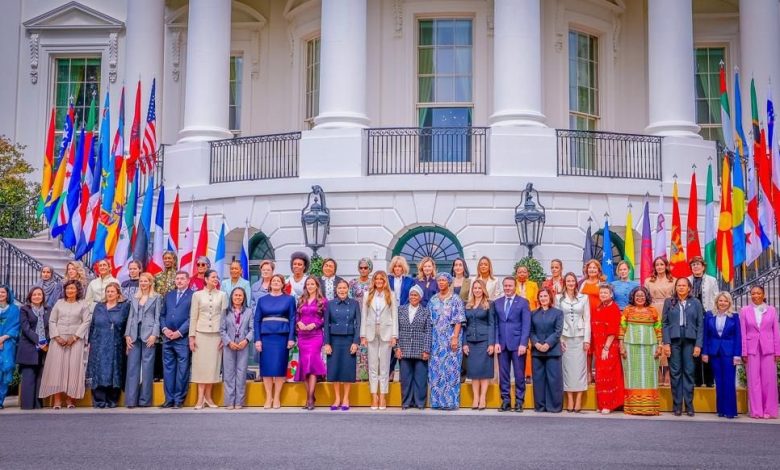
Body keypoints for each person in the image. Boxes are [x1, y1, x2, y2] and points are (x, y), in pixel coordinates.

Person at [39, 279, 91, 408]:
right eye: (68, 288)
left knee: (73, 369)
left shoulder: (83, 304)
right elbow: (52, 321)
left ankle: (70, 399)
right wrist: (56, 337)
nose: (70, 291)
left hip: (75, 340)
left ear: (78, 290)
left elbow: (86, 321)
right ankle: (57, 400)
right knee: (57, 369)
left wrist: (75, 337)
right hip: (58, 340)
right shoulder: (59, 303)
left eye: (72, 288)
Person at [662, 277, 704, 416]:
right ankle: (677, 405)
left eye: (683, 285)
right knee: (675, 373)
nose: (681, 288)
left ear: (689, 288)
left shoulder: (696, 302)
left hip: (690, 341)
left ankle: (689, 405)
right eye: (678, 285)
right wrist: (666, 343)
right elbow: (665, 323)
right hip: (674, 340)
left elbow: (700, 325)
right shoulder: (669, 302)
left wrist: (698, 344)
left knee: (689, 372)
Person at [254, 274, 296, 409]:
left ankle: (277, 397)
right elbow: (257, 320)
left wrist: (291, 338)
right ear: (270, 283)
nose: (276, 282)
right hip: (266, 337)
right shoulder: (262, 300)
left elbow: (293, 319)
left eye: (279, 281)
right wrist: (257, 339)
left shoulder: (289, 299)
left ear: (283, 284)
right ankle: (268, 397)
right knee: (266, 368)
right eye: (274, 281)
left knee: (279, 368)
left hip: (282, 338)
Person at [619, 286, 663, 415]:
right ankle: (633, 408)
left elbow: (658, 329)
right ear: (633, 297)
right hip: (630, 347)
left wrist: (660, 346)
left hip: (650, 347)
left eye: (642, 296)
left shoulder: (653, 311)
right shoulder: (627, 310)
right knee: (632, 377)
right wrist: (621, 346)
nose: (639, 298)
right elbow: (622, 328)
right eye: (637, 296)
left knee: (650, 376)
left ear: (646, 297)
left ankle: (650, 408)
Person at [739, 285, 780, 419]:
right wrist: (744, 351)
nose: (756, 296)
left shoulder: (772, 310)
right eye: (753, 294)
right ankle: (756, 411)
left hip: (768, 349)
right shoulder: (744, 310)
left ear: (763, 294)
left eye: (758, 293)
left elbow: (776, 332)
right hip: (752, 349)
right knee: (753, 380)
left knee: (769, 381)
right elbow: (743, 332)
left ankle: (770, 410)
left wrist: (777, 351)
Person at [189, 269, 228, 409]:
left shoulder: (223, 295)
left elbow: (224, 318)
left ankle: (209, 397)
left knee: (213, 367)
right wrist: (191, 337)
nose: (215, 279)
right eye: (212, 277)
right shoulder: (197, 295)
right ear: (205, 279)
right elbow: (193, 316)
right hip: (201, 333)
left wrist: (223, 337)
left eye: (217, 277)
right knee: (201, 367)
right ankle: (200, 399)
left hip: (216, 334)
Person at [87, 283, 130, 408]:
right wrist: (90, 342)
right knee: (98, 371)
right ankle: (99, 400)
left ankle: (112, 399)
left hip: (115, 344)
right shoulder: (99, 307)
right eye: (108, 291)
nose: (110, 294)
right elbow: (93, 325)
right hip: (98, 343)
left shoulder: (124, 307)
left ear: (118, 293)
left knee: (114, 370)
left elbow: (127, 325)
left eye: (112, 291)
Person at [360, 271, 398, 410]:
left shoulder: (391, 295)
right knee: (373, 367)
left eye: (381, 279)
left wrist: (394, 336)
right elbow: (364, 315)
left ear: (385, 281)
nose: (379, 281)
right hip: (371, 332)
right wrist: (362, 335)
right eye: (377, 279)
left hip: (386, 333)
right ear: (374, 281)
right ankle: (373, 396)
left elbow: (394, 316)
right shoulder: (367, 295)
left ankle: (383, 396)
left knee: (384, 367)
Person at [427, 273, 465, 410]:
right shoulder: (433, 300)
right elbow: (429, 322)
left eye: (444, 280)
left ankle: (451, 402)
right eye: (439, 280)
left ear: (449, 282)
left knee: (451, 370)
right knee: (436, 371)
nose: (441, 282)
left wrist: (454, 337)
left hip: (451, 340)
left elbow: (459, 320)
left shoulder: (456, 299)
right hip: (436, 341)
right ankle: (437, 402)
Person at [493, 276, 531, 412]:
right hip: (502, 344)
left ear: (515, 287)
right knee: (504, 374)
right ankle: (506, 401)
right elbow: (495, 324)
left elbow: (526, 325)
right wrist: (496, 341)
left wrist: (523, 343)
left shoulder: (523, 302)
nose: (507, 288)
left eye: (510, 286)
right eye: (506, 286)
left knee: (519, 374)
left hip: (518, 344)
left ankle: (519, 401)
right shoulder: (497, 303)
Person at [702, 292, 742, 419]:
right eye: (720, 301)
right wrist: (705, 352)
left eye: (725, 301)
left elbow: (738, 336)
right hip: (714, 352)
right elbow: (705, 335)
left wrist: (737, 354)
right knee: (718, 381)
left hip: (729, 353)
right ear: (716, 302)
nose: (723, 303)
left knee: (729, 381)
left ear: (729, 303)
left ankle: (730, 411)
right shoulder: (709, 315)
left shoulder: (734, 316)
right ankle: (721, 410)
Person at [124, 273, 161, 408]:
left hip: (148, 335)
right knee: (132, 368)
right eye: (141, 281)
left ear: (150, 283)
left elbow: (157, 318)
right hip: (134, 334)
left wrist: (154, 335)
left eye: (146, 281)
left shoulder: (156, 297)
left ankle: (145, 400)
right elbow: (130, 317)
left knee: (147, 368)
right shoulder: (134, 298)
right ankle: (131, 400)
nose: (143, 283)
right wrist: (127, 335)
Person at [324, 279, 361, 410]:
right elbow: (326, 325)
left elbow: (358, 324)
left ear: (348, 289)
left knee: (347, 370)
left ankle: (346, 398)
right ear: (336, 290)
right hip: (334, 340)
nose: (342, 290)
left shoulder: (354, 304)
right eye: (339, 288)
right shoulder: (330, 304)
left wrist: (356, 342)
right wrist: (327, 343)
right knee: (335, 370)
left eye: (344, 288)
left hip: (349, 340)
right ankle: (337, 398)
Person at [160, 271, 193, 408]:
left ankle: (179, 399)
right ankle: (169, 399)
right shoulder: (169, 295)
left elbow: (192, 317)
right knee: (168, 370)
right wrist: (165, 330)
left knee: (182, 371)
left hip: (182, 339)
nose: (179, 281)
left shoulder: (193, 296)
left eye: (182, 279)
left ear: (188, 280)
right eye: (177, 279)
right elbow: (162, 315)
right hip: (167, 339)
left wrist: (179, 332)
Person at [558, 272, 590, 413]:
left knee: (580, 370)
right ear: (565, 282)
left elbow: (587, 319)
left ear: (576, 283)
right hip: (565, 337)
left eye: (572, 281)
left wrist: (587, 339)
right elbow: (557, 319)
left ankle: (578, 399)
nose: (570, 283)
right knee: (567, 370)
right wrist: (559, 339)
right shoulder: (558, 298)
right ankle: (570, 398)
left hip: (580, 336)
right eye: (568, 281)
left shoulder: (584, 298)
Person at [396, 285, 432, 410]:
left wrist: (427, 350)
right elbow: (397, 330)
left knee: (420, 379)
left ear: (420, 297)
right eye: (411, 294)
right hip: (404, 349)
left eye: (416, 295)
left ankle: (420, 402)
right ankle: (406, 402)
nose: (413, 297)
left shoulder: (426, 311)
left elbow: (428, 331)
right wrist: (397, 348)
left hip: (420, 349)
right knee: (406, 378)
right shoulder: (400, 310)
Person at [295, 277, 328, 410]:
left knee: (312, 364)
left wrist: (315, 324)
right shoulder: (301, 300)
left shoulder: (323, 301)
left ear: (317, 285)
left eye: (312, 284)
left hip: (315, 336)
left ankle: (309, 399)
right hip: (303, 336)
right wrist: (299, 323)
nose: (310, 286)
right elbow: (296, 316)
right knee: (304, 366)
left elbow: (325, 319)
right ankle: (310, 396)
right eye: (308, 284)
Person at [591, 284, 624, 414]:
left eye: (606, 292)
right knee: (600, 376)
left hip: (609, 346)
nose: (603, 294)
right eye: (601, 292)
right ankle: (602, 403)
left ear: (611, 294)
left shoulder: (614, 308)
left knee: (609, 375)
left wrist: (606, 348)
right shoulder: (599, 307)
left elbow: (612, 330)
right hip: (599, 347)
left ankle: (610, 405)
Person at [463, 279, 495, 410]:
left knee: (484, 371)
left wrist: (491, 343)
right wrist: (464, 343)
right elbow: (464, 325)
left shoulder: (489, 304)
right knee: (474, 372)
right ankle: (475, 398)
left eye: (479, 288)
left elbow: (492, 324)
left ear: (483, 290)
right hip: (471, 341)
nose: (477, 290)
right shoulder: (467, 305)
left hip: (485, 341)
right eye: (475, 288)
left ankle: (483, 398)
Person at [220, 287, 254, 409]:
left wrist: (246, 340)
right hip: (229, 346)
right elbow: (222, 330)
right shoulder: (225, 312)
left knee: (241, 373)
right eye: (236, 295)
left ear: (244, 297)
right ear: (232, 297)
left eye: (240, 295)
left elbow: (252, 329)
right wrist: (228, 342)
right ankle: (229, 401)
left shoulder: (249, 312)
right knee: (229, 373)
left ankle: (239, 401)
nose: (238, 297)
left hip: (243, 345)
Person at [530, 288, 564, 413]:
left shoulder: (558, 313)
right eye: (541, 296)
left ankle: (554, 406)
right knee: (538, 380)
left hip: (552, 351)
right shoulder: (533, 313)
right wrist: (536, 343)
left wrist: (548, 344)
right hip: (537, 351)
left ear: (550, 297)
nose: (543, 298)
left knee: (554, 379)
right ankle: (540, 406)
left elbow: (558, 331)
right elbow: (531, 331)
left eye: (545, 296)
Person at [17, 287, 50, 409]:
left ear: (43, 296)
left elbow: (49, 327)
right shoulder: (24, 309)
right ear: (30, 296)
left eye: (39, 294)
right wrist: (38, 340)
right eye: (34, 294)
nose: (37, 296)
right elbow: (25, 328)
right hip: (29, 346)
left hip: (44, 348)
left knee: (40, 377)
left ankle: (38, 404)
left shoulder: (48, 309)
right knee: (29, 377)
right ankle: (27, 406)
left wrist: (45, 341)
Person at [645, 256, 675, 386]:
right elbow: (645, 298)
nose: (659, 267)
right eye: (657, 265)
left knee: (667, 340)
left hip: (669, 310)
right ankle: (657, 371)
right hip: (653, 310)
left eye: (662, 264)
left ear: (666, 266)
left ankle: (667, 372)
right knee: (655, 341)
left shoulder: (673, 280)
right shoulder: (649, 281)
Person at [688, 256, 718, 388]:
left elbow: (716, 298)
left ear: (703, 266)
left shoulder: (712, 280)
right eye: (693, 265)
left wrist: (714, 315)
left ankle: (709, 379)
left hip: (707, 316)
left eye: (698, 264)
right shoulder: (687, 280)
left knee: (707, 347)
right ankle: (697, 380)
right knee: (694, 347)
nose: (696, 267)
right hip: (692, 318)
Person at [349, 258, 373, 382]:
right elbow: (349, 299)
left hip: (369, 317)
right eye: (361, 267)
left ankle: (366, 375)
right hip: (355, 316)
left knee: (367, 346)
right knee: (356, 345)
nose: (363, 270)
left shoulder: (373, 283)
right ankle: (355, 375)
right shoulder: (353, 283)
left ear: (370, 269)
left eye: (366, 268)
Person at [579, 259, 602, 384]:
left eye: (594, 268)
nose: (592, 270)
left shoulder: (602, 283)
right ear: (586, 270)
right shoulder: (582, 284)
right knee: (587, 347)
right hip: (586, 319)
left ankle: (597, 372)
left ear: (598, 270)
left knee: (598, 346)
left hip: (599, 318)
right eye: (590, 268)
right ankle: (588, 373)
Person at [0, 285, 20, 408]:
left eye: (3, 292)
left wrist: (3, 338)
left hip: (8, 343)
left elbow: (16, 326)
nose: (1, 294)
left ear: (7, 294)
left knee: (4, 371)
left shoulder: (14, 310)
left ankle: (0, 400)